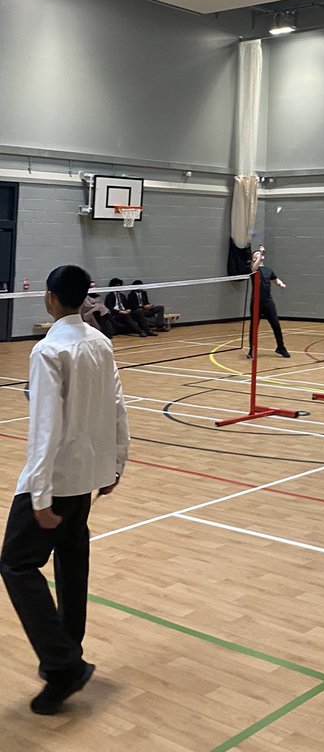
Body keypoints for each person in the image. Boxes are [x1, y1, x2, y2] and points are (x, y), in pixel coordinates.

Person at [1, 264, 129, 715]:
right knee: (72, 560)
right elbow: (117, 405)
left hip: (55, 481)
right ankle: (67, 654)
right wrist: (116, 462)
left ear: (51, 298)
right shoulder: (100, 342)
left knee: (16, 564)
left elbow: (45, 428)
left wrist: (38, 494)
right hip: (86, 478)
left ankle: (61, 664)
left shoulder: (48, 350)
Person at [246, 246, 289, 358]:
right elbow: (254, 268)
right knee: (254, 327)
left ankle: (281, 347)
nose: (258, 255)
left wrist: (280, 283)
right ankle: (252, 350)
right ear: (254, 259)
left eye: (259, 254)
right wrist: (260, 252)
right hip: (256, 303)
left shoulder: (268, 270)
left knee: (276, 324)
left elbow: (275, 279)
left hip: (268, 302)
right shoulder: (253, 269)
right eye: (256, 255)